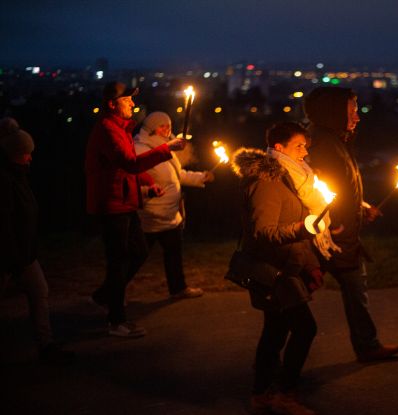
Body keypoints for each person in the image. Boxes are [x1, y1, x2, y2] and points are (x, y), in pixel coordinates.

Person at [304, 86, 398, 362]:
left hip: (340, 234)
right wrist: (332, 225)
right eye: (352, 111)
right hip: (329, 236)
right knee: (296, 297)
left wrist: (361, 207)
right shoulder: (322, 145)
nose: (357, 117)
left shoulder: (334, 141)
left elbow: (340, 189)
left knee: (353, 286)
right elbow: (318, 190)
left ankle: (368, 345)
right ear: (333, 113)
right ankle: (275, 368)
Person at [231, 122, 322, 415]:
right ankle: (284, 394)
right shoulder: (267, 182)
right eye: (299, 146)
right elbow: (264, 231)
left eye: (306, 146)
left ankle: (262, 393)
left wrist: (311, 259)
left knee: (275, 329)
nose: (305, 152)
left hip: (285, 266)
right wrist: (301, 229)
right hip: (272, 270)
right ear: (279, 148)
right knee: (305, 328)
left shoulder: (289, 178)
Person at [85, 82, 185, 338]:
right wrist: (167, 149)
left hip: (126, 202)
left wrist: (148, 183)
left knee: (138, 251)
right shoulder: (108, 130)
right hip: (112, 205)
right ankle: (116, 320)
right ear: (112, 104)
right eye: (127, 99)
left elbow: (125, 168)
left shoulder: (121, 129)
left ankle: (106, 295)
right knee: (118, 262)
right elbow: (129, 163)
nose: (132, 102)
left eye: (132, 99)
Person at [0, 117, 74, 365]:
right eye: (26, 154)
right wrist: (14, 257)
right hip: (9, 256)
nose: (30, 158)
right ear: (14, 154)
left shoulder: (19, 176)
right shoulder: (5, 181)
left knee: (40, 291)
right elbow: (6, 224)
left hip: (25, 255)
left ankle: (46, 345)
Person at [134, 111, 212, 299]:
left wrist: (201, 177)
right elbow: (133, 180)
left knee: (174, 255)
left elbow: (177, 175)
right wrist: (147, 193)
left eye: (168, 125)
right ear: (151, 129)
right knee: (135, 258)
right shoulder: (141, 149)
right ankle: (107, 295)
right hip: (151, 215)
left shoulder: (165, 147)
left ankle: (178, 289)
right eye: (162, 126)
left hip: (170, 215)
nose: (167, 129)